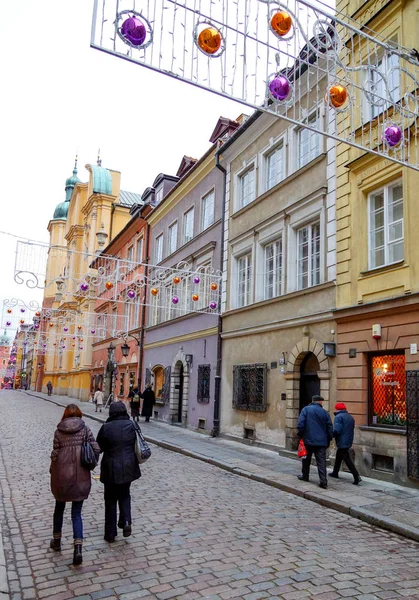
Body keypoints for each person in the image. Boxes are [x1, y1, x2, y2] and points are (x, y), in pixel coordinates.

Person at [49, 404, 100, 565]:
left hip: (61, 475)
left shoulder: (59, 431)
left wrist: (53, 470)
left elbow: (55, 453)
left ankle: (56, 541)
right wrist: (90, 463)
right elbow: (96, 448)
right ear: (79, 414)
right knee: (76, 513)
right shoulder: (84, 429)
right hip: (80, 475)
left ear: (65, 415)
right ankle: (78, 548)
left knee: (59, 508)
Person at [97, 401, 141, 543]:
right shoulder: (132, 425)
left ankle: (110, 533)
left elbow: (99, 447)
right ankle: (126, 521)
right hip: (128, 466)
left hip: (110, 467)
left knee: (110, 499)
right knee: (125, 495)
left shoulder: (106, 427)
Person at [297, 394, 333, 489]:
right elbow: (330, 427)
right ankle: (323, 481)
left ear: (312, 401)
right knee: (321, 462)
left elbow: (300, 424)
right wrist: (329, 439)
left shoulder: (305, 410)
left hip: (308, 440)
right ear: (320, 402)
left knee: (306, 459)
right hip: (321, 442)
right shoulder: (325, 412)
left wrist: (300, 435)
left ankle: (305, 476)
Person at [329, 402, 362, 485]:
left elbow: (337, 430)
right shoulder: (350, 417)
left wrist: (330, 435)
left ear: (337, 409)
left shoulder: (338, 417)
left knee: (347, 459)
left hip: (342, 441)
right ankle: (335, 472)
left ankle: (356, 476)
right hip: (348, 440)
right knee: (339, 455)